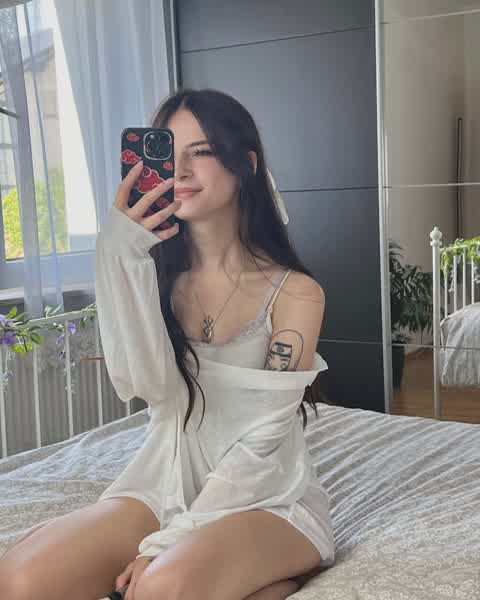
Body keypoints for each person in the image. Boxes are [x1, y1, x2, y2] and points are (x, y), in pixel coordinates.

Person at [0, 88, 334, 600]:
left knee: (160, 589)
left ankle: (267, 572)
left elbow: (263, 439)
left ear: (245, 166)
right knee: (20, 580)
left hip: (263, 492)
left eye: (201, 152)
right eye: (167, 153)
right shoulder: (152, 277)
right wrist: (119, 252)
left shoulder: (296, 293)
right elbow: (143, 384)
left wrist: (170, 542)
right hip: (164, 478)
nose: (178, 171)